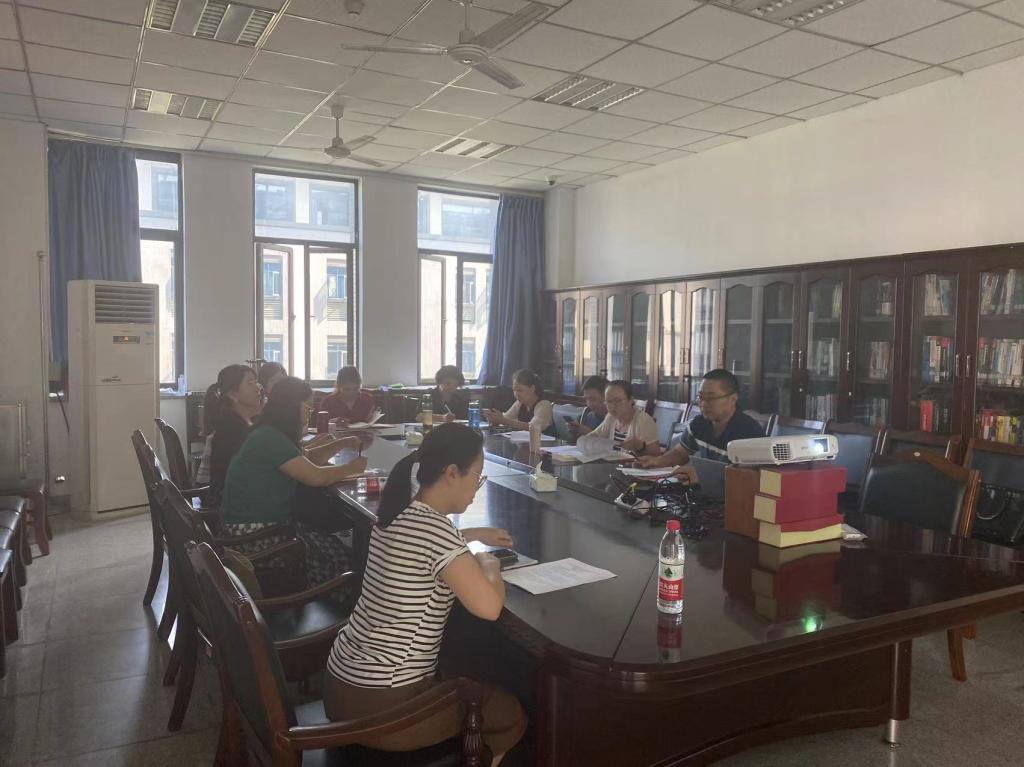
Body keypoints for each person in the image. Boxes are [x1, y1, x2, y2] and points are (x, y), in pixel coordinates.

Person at [324, 424, 526, 764]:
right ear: (452, 473)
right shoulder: (437, 531)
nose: (476, 488)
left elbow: (423, 545)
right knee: (509, 714)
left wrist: (471, 534)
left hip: (341, 686)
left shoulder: (395, 511)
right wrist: (489, 565)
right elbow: (490, 607)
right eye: (477, 477)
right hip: (384, 707)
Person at [220, 377, 368, 587]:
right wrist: (351, 468)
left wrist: (340, 444)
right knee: (339, 556)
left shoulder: (268, 432)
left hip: (247, 528)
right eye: (307, 406)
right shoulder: (271, 439)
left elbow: (306, 460)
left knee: (328, 536)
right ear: (291, 407)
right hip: (256, 536)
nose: (310, 412)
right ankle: (343, 598)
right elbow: (316, 476)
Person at [636, 369, 764, 484]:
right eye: (700, 397)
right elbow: (680, 453)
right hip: (706, 493)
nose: (703, 403)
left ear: (733, 399)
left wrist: (702, 475)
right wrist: (658, 461)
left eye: (711, 398)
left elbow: (750, 479)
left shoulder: (750, 433)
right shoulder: (700, 423)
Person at [197, 364, 262, 506]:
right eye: (250, 383)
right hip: (227, 502)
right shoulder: (231, 427)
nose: (258, 388)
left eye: (256, 382)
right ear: (233, 394)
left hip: (229, 494)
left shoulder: (240, 421)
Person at [577, 380, 659, 456]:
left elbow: (655, 453)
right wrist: (584, 441)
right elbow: (595, 435)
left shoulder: (643, 420)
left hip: (634, 466)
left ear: (630, 400)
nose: (613, 406)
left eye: (618, 400)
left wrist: (640, 446)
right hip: (614, 464)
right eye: (609, 401)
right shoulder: (611, 417)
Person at [483, 369, 553, 435]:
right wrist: (495, 420)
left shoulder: (544, 404)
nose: (516, 394)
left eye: (520, 390)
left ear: (532, 389)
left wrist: (502, 420)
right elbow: (506, 419)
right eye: (514, 390)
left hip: (544, 443)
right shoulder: (519, 403)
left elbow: (533, 427)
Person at [566, 375, 608, 439]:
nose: (589, 404)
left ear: (606, 397)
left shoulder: (614, 420)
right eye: (586, 399)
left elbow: (610, 442)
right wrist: (575, 432)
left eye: (593, 399)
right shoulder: (586, 415)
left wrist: (588, 432)